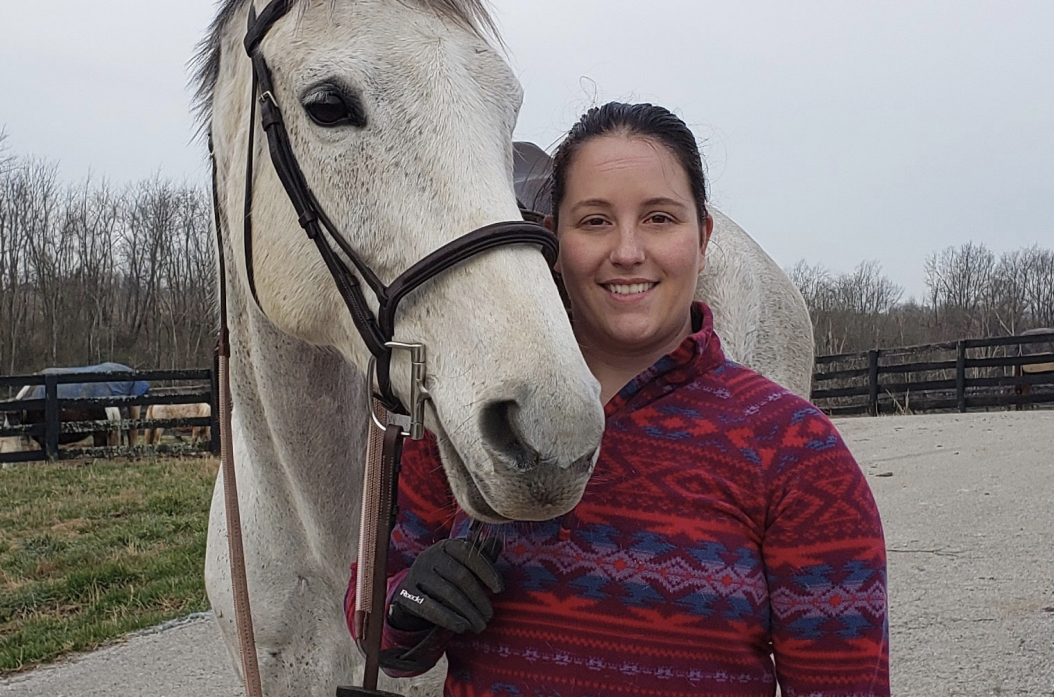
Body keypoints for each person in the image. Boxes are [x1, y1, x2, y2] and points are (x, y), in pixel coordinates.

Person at [344, 102, 890, 697]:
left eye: (659, 218)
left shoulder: (798, 453)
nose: (628, 251)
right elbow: (384, 638)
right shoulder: (475, 414)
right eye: (595, 221)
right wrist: (406, 604)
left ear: (702, 238)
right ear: (553, 242)